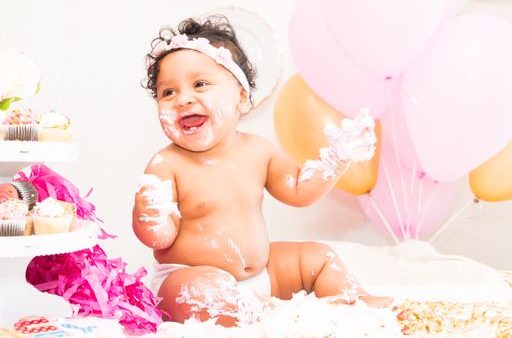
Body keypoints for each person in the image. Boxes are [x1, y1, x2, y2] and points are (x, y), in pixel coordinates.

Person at [133, 16, 392, 326]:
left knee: (317, 257)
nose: (183, 98)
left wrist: (337, 158)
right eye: (168, 93)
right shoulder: (167, 164)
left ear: (241, 97)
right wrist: (151, 213)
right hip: (189, 278)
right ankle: (270, 317)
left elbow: (299, 190)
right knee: (200, 291)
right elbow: (159, 238)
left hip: (262, 273)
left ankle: (355, 300)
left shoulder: (259, 151)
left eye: (200, 84)